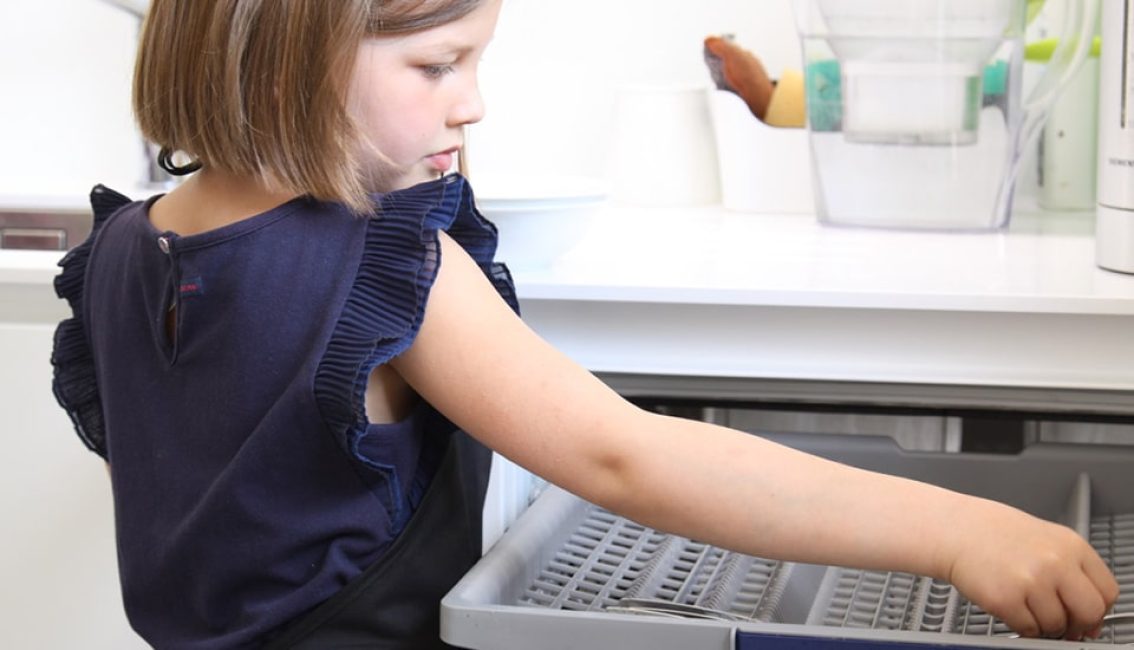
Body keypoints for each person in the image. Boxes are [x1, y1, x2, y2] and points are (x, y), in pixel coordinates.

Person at [51, 0, 1118, 648]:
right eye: (437, 64)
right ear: (287, 56)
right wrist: (962, 532)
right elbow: (627, 456)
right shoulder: (386, 270)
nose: (472, 102)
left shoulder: (118, 251)